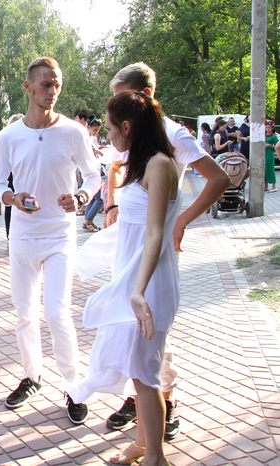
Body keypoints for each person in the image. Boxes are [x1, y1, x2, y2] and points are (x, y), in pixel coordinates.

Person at [104, 62, 230, 440]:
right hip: (133, 246)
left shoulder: (171, 136)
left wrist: (182, 220)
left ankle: (163, 404)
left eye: (123, 98)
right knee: (136, 338)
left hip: (152, 251)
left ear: (143, 96)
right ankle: (143, 410)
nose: (118, 110)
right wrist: (113, 203)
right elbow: (117, 169)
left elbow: (218, 178)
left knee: (151, 338)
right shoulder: (137, 140)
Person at [0, 57, 101, 424]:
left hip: (59, 235)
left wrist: (81, 197)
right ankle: (31, 375)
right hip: (23, 235)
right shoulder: (9, 136)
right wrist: (13, 198)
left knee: (56, 311)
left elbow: (93, 176)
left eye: (57, 84)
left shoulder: (73, 132)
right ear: (28, 87)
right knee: (25, 314)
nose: (52, 91)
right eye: (45, 84)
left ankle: (73, 384)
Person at [73, 90, 180, 466]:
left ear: (128, 126)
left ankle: (156, 457)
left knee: (146, 376)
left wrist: (137, 291)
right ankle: (143, 444)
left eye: (110, 127)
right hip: (133, 281)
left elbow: (155, 234)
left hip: (148, 285)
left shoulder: (160, 165)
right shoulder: (141, 163)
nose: (107, 135)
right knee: (138, 372)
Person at [2, 113, 24, 238]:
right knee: (11, 204)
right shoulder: (8, 140)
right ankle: (9, 235)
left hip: (11, 176)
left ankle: (9, 234)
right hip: (11, 176)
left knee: (10, 206)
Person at [82, 118, 106, 233]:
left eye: (98, 130)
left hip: (95, 172)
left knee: (92, 198)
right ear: (89, 127)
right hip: (90, 173)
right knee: (99, 199)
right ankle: (88, 220)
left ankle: (87, 220)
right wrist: (95, 152)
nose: (96, 132)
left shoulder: (91, 138)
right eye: (95, 130)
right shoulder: (85, 138)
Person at [265, 120, 279, 192]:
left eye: (269, 127)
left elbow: (277, 147)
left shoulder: (274, 136)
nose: (267, 129)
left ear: (272, 128)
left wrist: (269, 145)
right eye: (266, 127)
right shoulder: (263, 136)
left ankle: (274, 186)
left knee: (270, 169)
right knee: (264, 169)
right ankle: (265, 186)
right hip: (263, 154)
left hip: (270, 154)